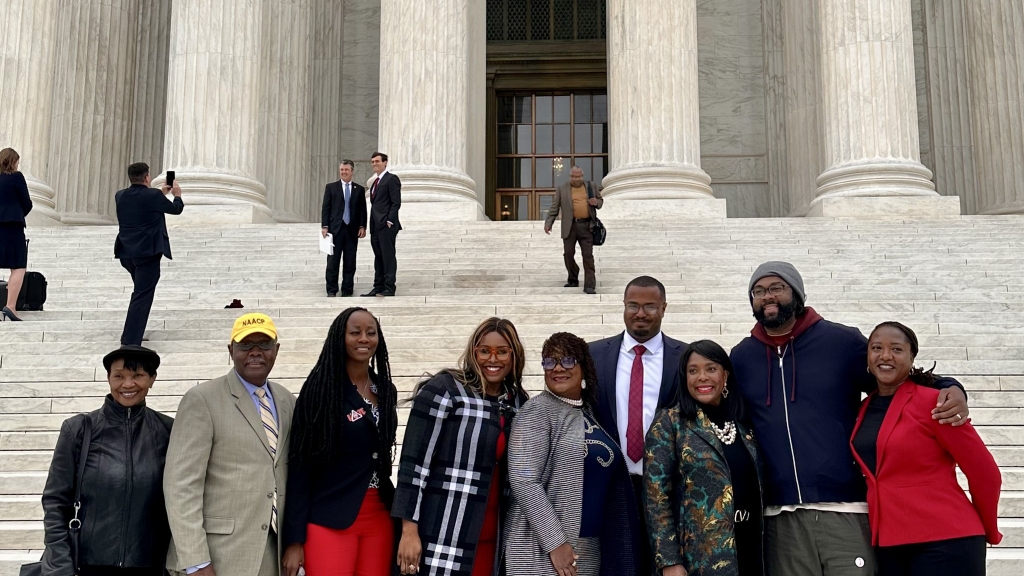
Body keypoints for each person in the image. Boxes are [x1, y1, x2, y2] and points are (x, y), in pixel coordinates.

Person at [728, 261, 970, 576]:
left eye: (776, 288)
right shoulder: (742, 357)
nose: (767, 297)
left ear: (797, 293)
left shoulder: (840, 341)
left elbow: (893, 377)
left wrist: (950, 386)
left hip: (845, 508)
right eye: (758, 291)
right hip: (779, 515)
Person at [851, 321, 1001, 576]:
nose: (885, 355)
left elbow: (985, 473)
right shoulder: (864, 409)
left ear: (912, 358)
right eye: (877, 348)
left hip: (947, 540)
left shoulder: (937, 404)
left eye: (896, 349)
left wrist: (986, 528)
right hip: (888, 546)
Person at [392, 317, 529, 576]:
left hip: (492, 540)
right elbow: (413, 465)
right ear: (473, 352)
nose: (493, 359)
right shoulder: (446, 389)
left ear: (514, 356)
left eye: (502, 351)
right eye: (484, 351)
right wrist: (409, 530)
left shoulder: (518, 402)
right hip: (442, 533)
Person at [163, 313, 295, 576]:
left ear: (276, 350)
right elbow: (181, 485)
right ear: (230, 350)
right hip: (217, 556)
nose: (255, 352)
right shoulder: (202, 400)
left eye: (264, 344)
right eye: (245, 345)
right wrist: (196, 560)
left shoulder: (287, 401)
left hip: (273, 554)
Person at [505, 332, 640, 576]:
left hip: (587, 550)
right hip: (542, 551)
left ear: (584, 367)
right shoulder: (536, 411)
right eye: (550, 361)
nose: (558, 368)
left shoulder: (589, 412)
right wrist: (555, 543)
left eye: (568, 360)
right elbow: (524, 480)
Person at [282, 307, 399, 576]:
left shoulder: (386, 390)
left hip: (378, 516)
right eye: (355, 332)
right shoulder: (321, 389)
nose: (364, 338)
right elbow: (300, 466)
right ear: (340, 337)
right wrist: (294, 540)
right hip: (330, 517)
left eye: (371, 332)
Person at [40, 345, 174, 575]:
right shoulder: (79, 429)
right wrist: (60, 564)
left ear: (152, 379)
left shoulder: (167, 430)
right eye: (119, 376)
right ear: (108, 378)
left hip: (149, 565)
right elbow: (55, 501)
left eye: (138, 375)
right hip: (85, 566)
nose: (128, 384)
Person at [588, 275, 685, 575]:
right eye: (633, 305)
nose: (640, 313)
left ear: (664, 308)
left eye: (649, 306)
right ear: (624, 306)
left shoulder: (685, 359)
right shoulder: (593, 355)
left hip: (666, 489)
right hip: (611, 486)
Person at [645, 340, 764, 576]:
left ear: (725, 375)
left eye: (711, 369)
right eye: (693, 371)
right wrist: (669, 561)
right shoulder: (670, 423)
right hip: (700, 557)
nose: (702, 377)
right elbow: (656, 497)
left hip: (751, 547)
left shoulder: (743, 424)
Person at [114, 162, 184, 346]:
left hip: (126, 253)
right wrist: (177, 195)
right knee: (142, 295)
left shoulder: (120, 195)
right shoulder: (153, 195)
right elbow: (176, 209)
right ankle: (130, 339)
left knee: (140, 293)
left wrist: (160, 194)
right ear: (147, 177)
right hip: (147, 253)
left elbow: (141, 204)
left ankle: (132, 334)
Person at [544, 166, 603, 294]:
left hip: (587, 226)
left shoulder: (591, 186)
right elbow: (554, 207)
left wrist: (596, 202)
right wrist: (549, 222)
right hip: (570, 227)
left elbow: (600, 201)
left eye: (579, 176)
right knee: (568, 254)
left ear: (582, 176)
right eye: (574, 176)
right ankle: (573, 278)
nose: (576, 179)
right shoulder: (562, 189)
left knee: (588, 256)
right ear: (570, 176)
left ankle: (589, 286)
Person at [321, 160, 367, 297]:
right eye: (342, 169)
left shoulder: (359, 189)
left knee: (350, 261)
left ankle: (347, 290)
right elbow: (326, 208)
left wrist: (362, 226)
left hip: (352, 230)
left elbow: (362, 210)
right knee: (332, 262)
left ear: (352, 171)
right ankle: (331, 290)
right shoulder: (331, 187)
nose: (343, 172)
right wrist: (325, 226)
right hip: (335, 230)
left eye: (346, 170)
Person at [362, 152, 401, 297]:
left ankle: (389, 287)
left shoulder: (392, 179)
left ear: (385, 162)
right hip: (375, 226)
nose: (374, 164)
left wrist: (390, 220)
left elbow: (396, 202)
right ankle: (378, 286)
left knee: (388, 256)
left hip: (386, 225)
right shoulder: (375, 182)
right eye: (372, 162)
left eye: (377, 161)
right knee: (378, 257)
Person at [0, 147, 33, 322]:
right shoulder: (16, 177)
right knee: (18, 266)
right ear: (13, 162)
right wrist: (18, 213)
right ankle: (10, 306)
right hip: (12, 226)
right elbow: (27, 203)